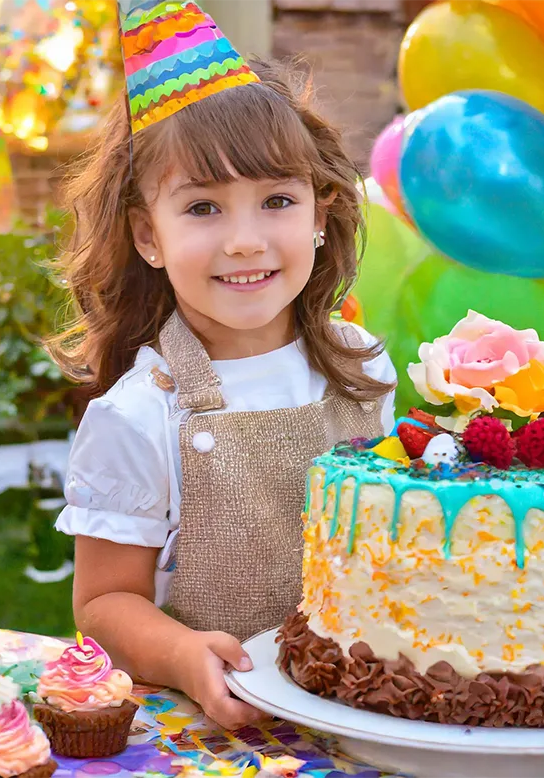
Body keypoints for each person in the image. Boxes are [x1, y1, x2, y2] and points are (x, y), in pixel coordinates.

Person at [47, 0, 397, 731]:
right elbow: (104, 603)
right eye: (203, 208)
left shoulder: (363, 369)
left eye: (275, 200)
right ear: (149, 235)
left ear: (320, 214)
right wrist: (180, 655)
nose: (245, 241)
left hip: (382, 712)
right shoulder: (143, 414)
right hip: (233, 728)